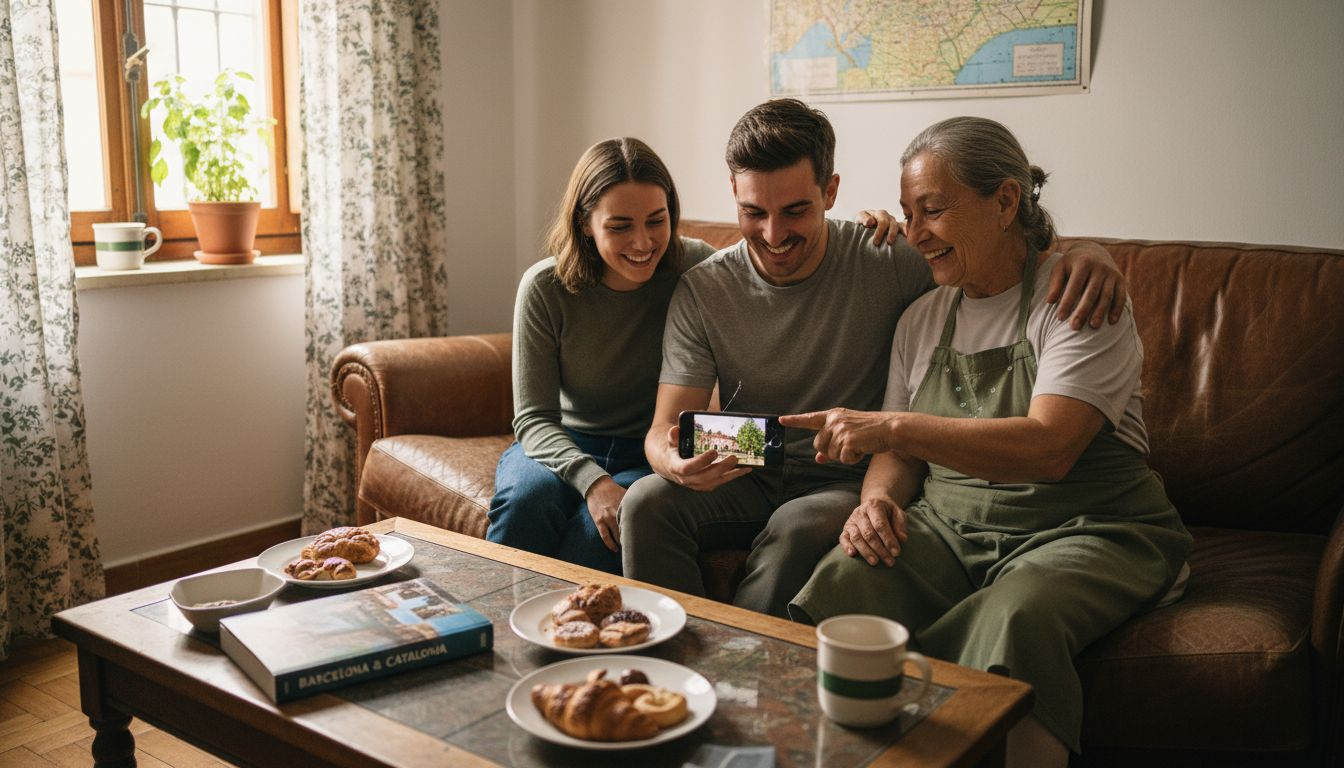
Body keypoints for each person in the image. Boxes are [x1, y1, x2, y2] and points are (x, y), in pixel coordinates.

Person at [783, 117, 1191, 766]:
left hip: (1085, 527)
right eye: (907, 214)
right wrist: (878, 502)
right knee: (846, 579)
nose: (915, 234)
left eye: (934, 211)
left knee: (1018, 617)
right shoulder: (923, 317)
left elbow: (1049, 448)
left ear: (1005, 202)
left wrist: (889, 426)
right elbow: (898, 455)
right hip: (952, 525)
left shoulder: (1076, 299)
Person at [619, 99, 1129, 616]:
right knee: (645, 501)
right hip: (753, 461)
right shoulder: (704, 289)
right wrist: (676, 464)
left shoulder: (892, 258)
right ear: (734, 193)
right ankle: (659, 672)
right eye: (754, 213)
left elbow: (1004, 255)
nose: (774, 235)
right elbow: (666, 430)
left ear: (831, 192)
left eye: (796, 211)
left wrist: (1090, 254)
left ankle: (748, 674)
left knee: (795, 528)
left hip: (845, 475)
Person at [488, 137, 902, 573]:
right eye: (620, 226)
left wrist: (863, 228)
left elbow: (777, 266)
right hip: (565, 441)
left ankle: (581, 632)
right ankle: (492, 625)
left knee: (604, 534)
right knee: (525, 503)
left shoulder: (696, 268)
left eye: (656, 220)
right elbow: (533, 419)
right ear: (586, 223)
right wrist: (593, 482)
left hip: (646, 449)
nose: (644, 242)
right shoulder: (545, 288)